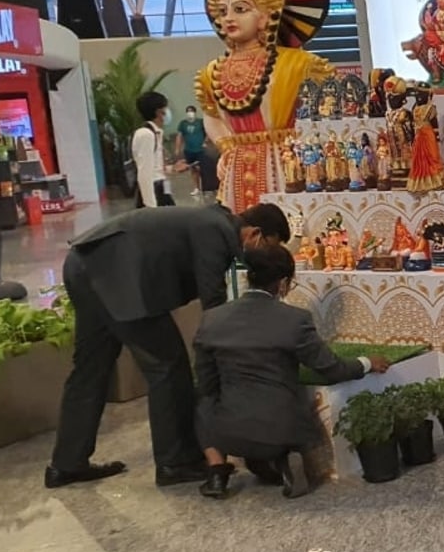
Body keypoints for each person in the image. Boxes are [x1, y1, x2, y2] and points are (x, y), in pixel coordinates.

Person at [44, 202, 292, 489]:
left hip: (84, 264)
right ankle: (175, 462)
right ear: (255, 233)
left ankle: (66, 464)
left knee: (90, 369)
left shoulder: (210, 220)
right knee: (168, 367)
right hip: (115, 276)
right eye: (268, 246)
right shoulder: (216, 229)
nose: (264, 256)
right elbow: (212, 302)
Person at [194, 246, 391, 499]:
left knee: (204, 399)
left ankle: (217, 472)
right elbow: (331, 369)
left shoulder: (212, 319)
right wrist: (366, 362)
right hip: (281, 430)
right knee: (285, 403)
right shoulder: (294, 320)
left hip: (226, 434)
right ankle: (285, 459)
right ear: (284, 282)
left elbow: (206, 382)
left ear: (247, 277)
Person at [195, 0, 335, 212]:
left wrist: (304, 149)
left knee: (290, 236)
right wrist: (226, 145)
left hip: (287, 164)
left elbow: (323, 115)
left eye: (241, 9)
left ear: (266, 16)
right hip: (234, 171)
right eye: (223, 11)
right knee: (239, 240)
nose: (229, 17)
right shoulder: (212, 72)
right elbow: (212, 116)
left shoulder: (298, 64)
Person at [132, 91, 181, 208]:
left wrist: (171, 168)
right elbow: (144, 173)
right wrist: (151, 207)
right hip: (153, 192)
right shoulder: (146, 134)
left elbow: (155, 166)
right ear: (159, 112)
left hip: (161, 189)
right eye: (166, 108)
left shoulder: (156, 133)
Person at [175, 105, 208, 195]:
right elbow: (179, 136)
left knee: (203, 169)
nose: (190, 113)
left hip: (200, 150)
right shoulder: (183, 123)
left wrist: (205, 142)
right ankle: (196, 188)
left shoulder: (200, 122)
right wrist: (177, 148)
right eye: (188, 111)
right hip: (189, 150)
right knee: (193, 169)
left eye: (192, 111)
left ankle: (206, 187)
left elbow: (208, 132)